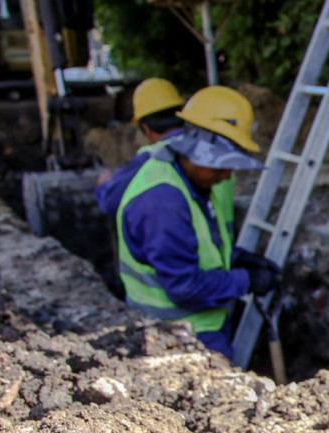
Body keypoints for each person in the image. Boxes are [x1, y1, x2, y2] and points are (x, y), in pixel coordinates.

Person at [113, 85, 279, 360]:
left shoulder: (186, 180)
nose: (227, 176)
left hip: (202, 324)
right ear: (195, 153)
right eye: (221, 166)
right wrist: (245, 280)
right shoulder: (163, 203)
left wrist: (237, 259)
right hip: (177, 339)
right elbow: (185, 286)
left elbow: (197, 247)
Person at [97, 78, 234, 226]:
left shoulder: (153, 160)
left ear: (146, 129)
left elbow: (109, 202)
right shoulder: (213, 150)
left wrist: (103, 183)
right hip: (221, 242)